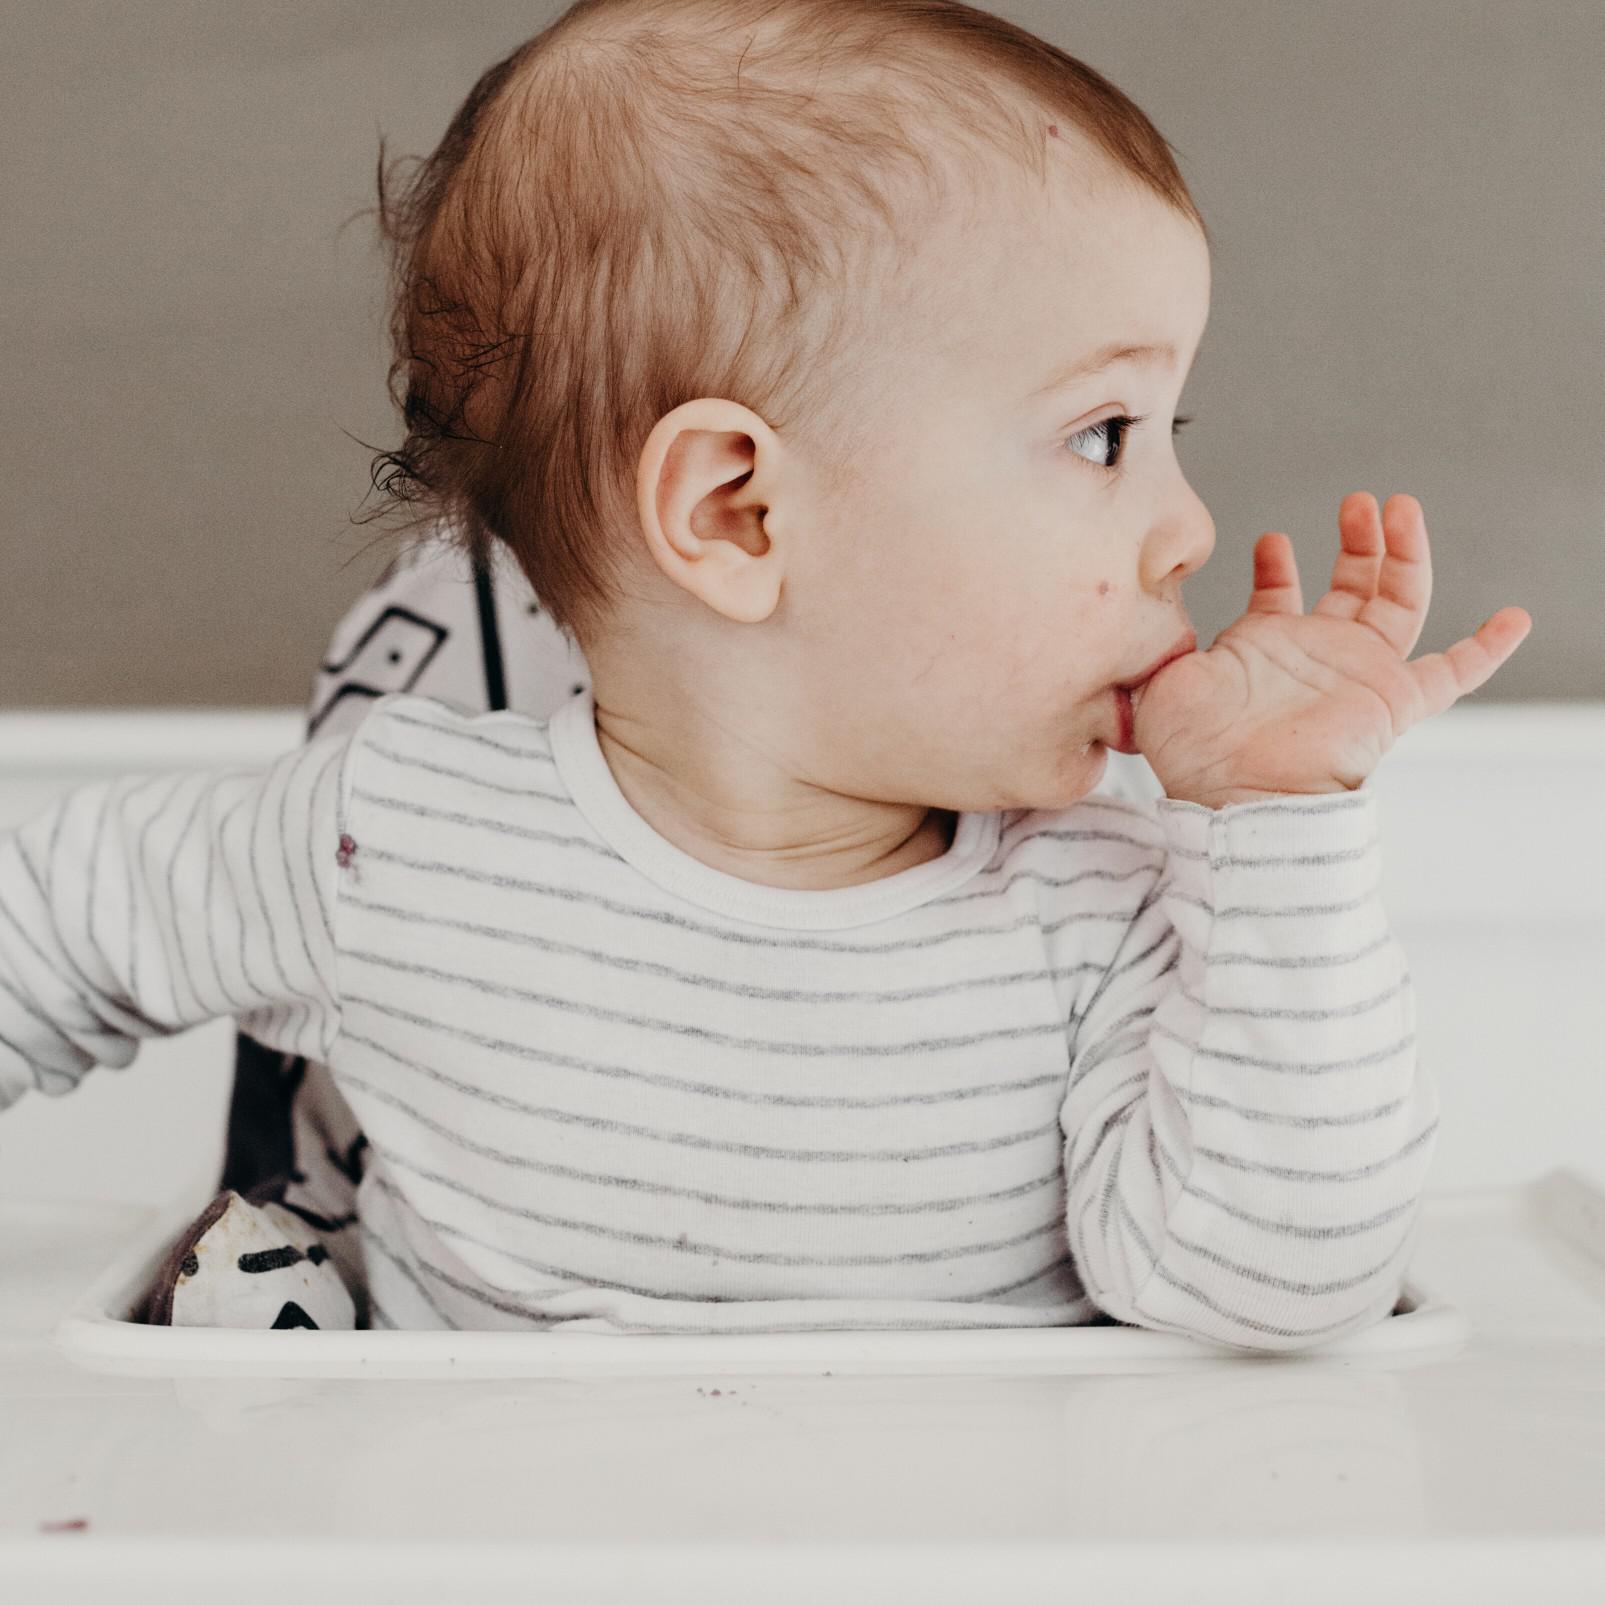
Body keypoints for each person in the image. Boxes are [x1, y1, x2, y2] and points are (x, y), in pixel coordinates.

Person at [0, 0, 1529, 1347]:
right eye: (1099, 434)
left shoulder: (1114, 897)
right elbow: (43, 923)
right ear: (738, 511)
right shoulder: (386, 842)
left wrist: (1284, 829)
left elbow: (1277, 1289)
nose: (1185, 525)